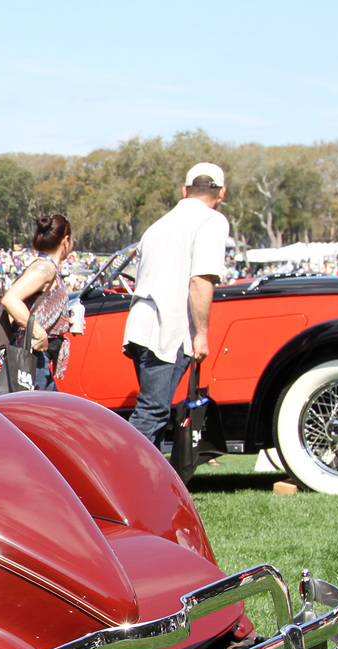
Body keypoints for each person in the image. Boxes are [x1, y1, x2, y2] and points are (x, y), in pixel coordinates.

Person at [123, 163, 229, 446]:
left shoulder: (158, 225)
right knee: (153, 411)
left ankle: (147, 483)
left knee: (156, 410)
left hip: (141, 323)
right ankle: (118, 476)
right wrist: (202, 334)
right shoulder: (211, 221)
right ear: (221, 193)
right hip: (169, 326)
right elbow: (200, 281)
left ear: (185, 190)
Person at [2, 215, 75, 391]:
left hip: (39, 357)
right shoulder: (45, 269)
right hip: (33, 357)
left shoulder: (48, 268)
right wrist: (39, 333)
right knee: (43, 415)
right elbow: (10, 299)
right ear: (65, 241)